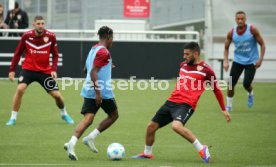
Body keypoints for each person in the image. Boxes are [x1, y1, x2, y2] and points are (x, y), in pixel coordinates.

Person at [132, 42, 231, 163]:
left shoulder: (207, 71)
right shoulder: (183, 65)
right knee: (150, 127)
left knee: (176, 126)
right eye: (184, 54)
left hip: (186, 105)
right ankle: (147, 153)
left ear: (196, 53)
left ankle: (202, 148)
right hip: (171, 102)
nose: (184, 56)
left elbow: (216, 90)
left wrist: (223, 109)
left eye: (187, 54)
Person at [6, 16, 74, 126]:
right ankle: (13, 118)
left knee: (57, 95)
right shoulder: (26, 36)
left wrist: (53, 69)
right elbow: (17, 53)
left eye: (42, 23)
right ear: (34, 25)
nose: (41, 26)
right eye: (38, 23)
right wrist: (12, 69)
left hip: (45, 71)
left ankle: (64, 113)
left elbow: (55, 55)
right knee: (20, 89)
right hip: (28, 69)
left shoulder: (51, 36)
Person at [64, 26, 119, 161]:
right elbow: (93, 71)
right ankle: (90, 138)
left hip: (89, 88)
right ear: (108, 37)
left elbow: (86, 69)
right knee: (113, 115)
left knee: (88, 119)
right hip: (102, 91)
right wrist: (98, 94)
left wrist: (107, 66)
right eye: (112, 38)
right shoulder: (104, 52)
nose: (112, 41)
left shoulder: (94, 48)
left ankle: (72, 142)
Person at [223, 11, 266, 112]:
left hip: (251, 61)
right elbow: (226, 48)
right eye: (238, 19)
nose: (240, 21)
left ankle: (250, 93)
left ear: (245, 19)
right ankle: (229, 106)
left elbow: (262, 44)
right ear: (235, 20)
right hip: (238, 61)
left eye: (242, 19)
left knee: (246, 84)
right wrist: (226, 61)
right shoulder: (231, 32)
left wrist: (260, 59)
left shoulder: (252, 29)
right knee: (230, 83)